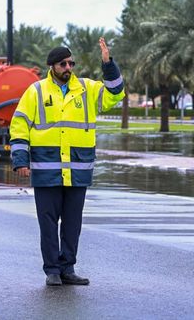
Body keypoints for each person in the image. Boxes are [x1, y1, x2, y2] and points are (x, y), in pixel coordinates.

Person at [10, 38, 125, 286]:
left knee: (73, 223)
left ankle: (68, 268)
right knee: (48, 224)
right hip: (46, 169)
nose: (68, 67)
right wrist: (20, 159)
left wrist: (108, 65)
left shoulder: (87, 89)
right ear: (52, 66)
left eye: (71, 63)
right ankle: (52, 270)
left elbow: (116, 93)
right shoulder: (36, 91)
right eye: (63, 63)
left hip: (78, 169)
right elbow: (19, 126)